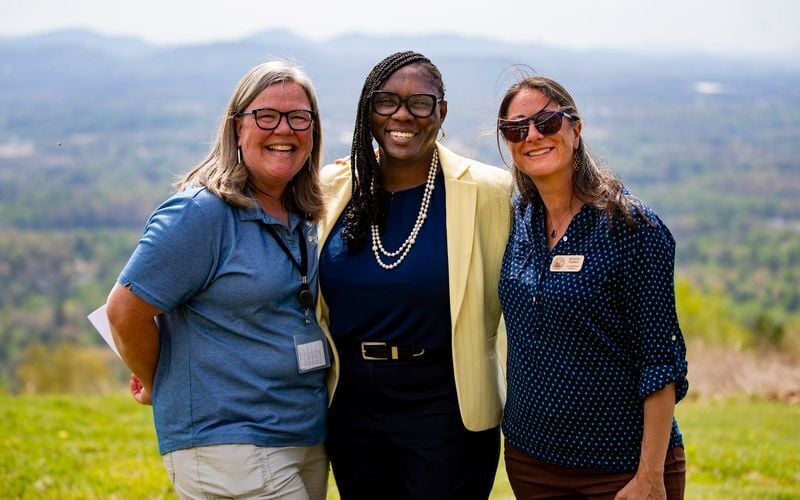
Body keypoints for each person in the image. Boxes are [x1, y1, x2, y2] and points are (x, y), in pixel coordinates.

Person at [105, 60, 330, 500]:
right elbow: (124, 309)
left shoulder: (299, 213)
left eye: (299, 117)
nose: (284, 128)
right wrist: (156, 381)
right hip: (227, 441)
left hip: (299, 433)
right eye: (266, 115)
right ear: (236, 128)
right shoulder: (201, 213)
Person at [316, 51, 512, 499]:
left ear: (441, 112)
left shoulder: (489, 192)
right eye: (386, 101)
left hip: (446, 408)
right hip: (351, 407)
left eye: (419, 103)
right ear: (368, 110)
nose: (402, 115)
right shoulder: (332, 187)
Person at [496, 74, 689, 499]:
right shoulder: (519, 221)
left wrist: (650, 477)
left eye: (546, 122)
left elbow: (661, 361)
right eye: (515, 128)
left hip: (620, 469)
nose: (532, 135)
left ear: (576, 129)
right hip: (532, 462)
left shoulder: (631, 227)